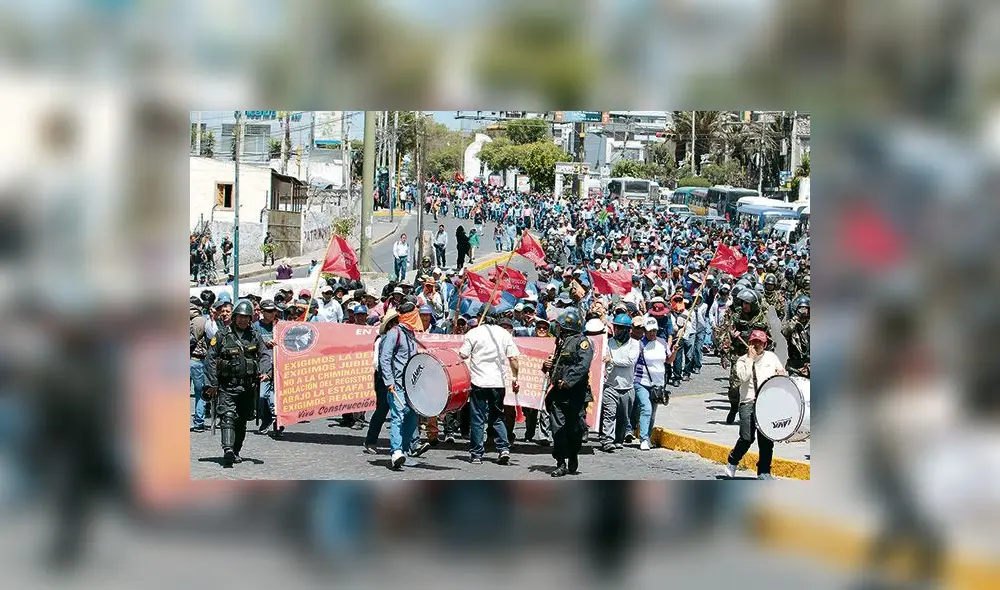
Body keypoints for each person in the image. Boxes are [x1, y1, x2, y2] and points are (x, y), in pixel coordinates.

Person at [202, 299, 271, 468]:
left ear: (250, 318)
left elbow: (264, 355)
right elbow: (210, 359)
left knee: (241, 422)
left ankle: (236, 450)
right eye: (239, 317)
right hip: (227, 387)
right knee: (228, 416)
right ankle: (227, 449)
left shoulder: (255, 335)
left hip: (248, 388)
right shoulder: (221, 335)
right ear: (234, 317)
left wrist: (265, 372)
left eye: (246, 317)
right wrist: (212, 383)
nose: (242, 320)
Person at [458, 312, 520, 465]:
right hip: (497, 383)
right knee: (497, 417)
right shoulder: (504, 334)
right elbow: (513, 358)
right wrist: (515, 377)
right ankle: (503, 448)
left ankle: (477, 454)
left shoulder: (474, 333)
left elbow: (463, 354)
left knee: (477, 418)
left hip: (478, 382)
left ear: (481, 319)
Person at [724, 330, 785, 480]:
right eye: (754, 342)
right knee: (746, 438)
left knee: (766, 440)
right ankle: (733, 460)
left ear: (765, 344)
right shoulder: (742, 361)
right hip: (748, 402)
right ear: (749, 343)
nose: (757, 345)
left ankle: (764, 471)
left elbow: (782, 374)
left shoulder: (772, 357)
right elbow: (743, 377)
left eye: (760, 342)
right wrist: (750, 359)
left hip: (767, 403)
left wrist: (782, 374)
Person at [542, 309, 593, 476]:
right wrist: (547, 366)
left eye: (560, 326)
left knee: (575, 429)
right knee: (558, 429)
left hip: (576, 394)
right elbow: (556, 366)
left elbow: (583, 366)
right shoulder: (560, 343)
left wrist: (568, 381)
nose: (557, 329)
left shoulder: (582, 342)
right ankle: (560, 462)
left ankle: (573, 454)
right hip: (558, 393)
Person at [379, 303, 427, 470]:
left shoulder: (411, 335)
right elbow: (385, 358)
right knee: (398, 417)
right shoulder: (394, 333)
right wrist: (389, 381)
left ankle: (404, 452)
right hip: (397, 384)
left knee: (412, 418)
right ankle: (396, 452)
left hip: (411, 385)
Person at [599, 314, 640, 453]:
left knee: (624, 417)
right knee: (609, 414)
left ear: (628, 330)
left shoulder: (635, 343)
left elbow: (630, 361)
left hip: (627, 387)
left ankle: (618, 440)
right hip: (610, 386)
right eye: (616, 327)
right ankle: (607, 440)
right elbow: (604, 360)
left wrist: (612, 360)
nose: (617, 330)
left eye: (621, 328)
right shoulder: (608, 342)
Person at [634, 317, 667, 450]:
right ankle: (643, 438)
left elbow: (669, 360)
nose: (652, 333)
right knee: (646, 409)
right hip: (641, 382)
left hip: (657, 384)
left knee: (652, 413)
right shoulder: (639, 344)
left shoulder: (662, 343)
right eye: (649, 331)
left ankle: (647, 436)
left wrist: (675, 351)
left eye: (654, 331)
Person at [252, 299, 280, 436]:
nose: (272, 313)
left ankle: (279, 425)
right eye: (269, 311)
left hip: (280, 366)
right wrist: (264, 343)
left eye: (274, 311)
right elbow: (252, 344)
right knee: (263, 396)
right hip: (264, 366)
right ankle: (267, 419)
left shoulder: (280, 325)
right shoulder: (255, 326)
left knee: (279, 398)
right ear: (262, 312)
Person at [782, 295, 810, 378]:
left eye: (806, 308)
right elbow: (785, 332)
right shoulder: (792, 323)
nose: (804, 311)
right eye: (801, 308)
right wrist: (796, 319)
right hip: (794, 364)